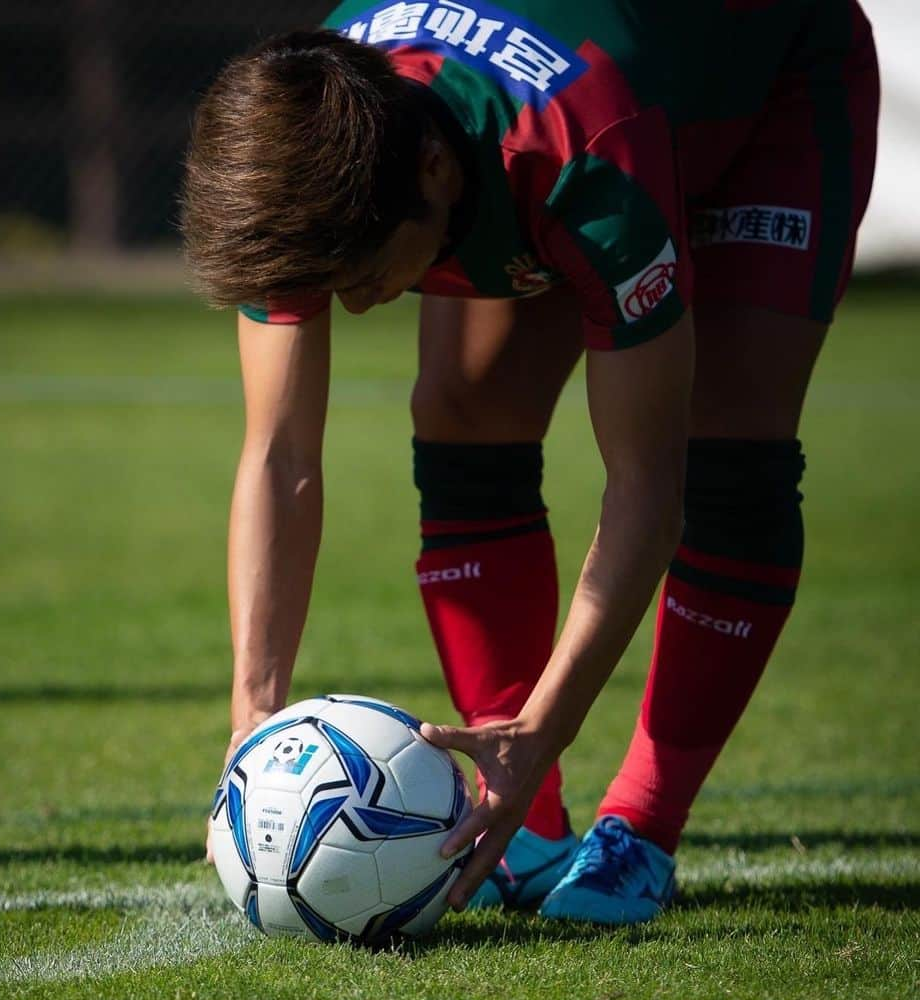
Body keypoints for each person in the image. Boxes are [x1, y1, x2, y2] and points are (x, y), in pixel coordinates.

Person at [183, 0, 878, 923]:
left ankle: (641, 827)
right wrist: (251, 718)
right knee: (466, 412)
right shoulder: (310, 138)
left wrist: (545, 731)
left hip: (765, 87)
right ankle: (531, 830)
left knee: (730, 445)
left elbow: (645, 493)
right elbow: (278, 455)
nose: (353, 311)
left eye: (363, 276)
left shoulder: (581, 156)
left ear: (434, 168)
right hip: (577, 107)